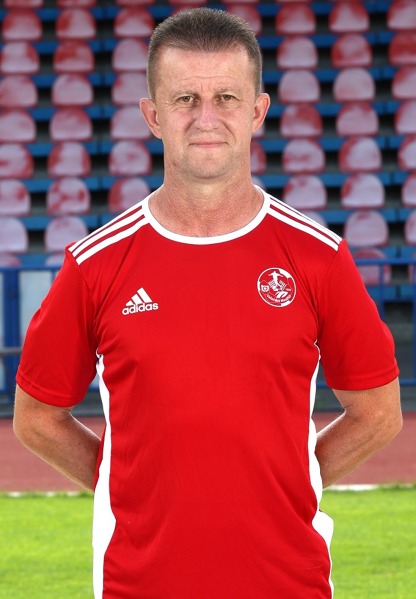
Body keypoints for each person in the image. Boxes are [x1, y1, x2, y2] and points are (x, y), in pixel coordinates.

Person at [14, 8, 402, 599]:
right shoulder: (95, 264)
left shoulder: (318, 256)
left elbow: (379, 412)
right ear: (153, 116)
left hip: (289, 582)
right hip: (138, 584)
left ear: (257, 112)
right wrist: (129, 485)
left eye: (226, 98)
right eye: (184, 100)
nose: (206, 119)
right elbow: (36, 417)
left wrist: (293, 482)